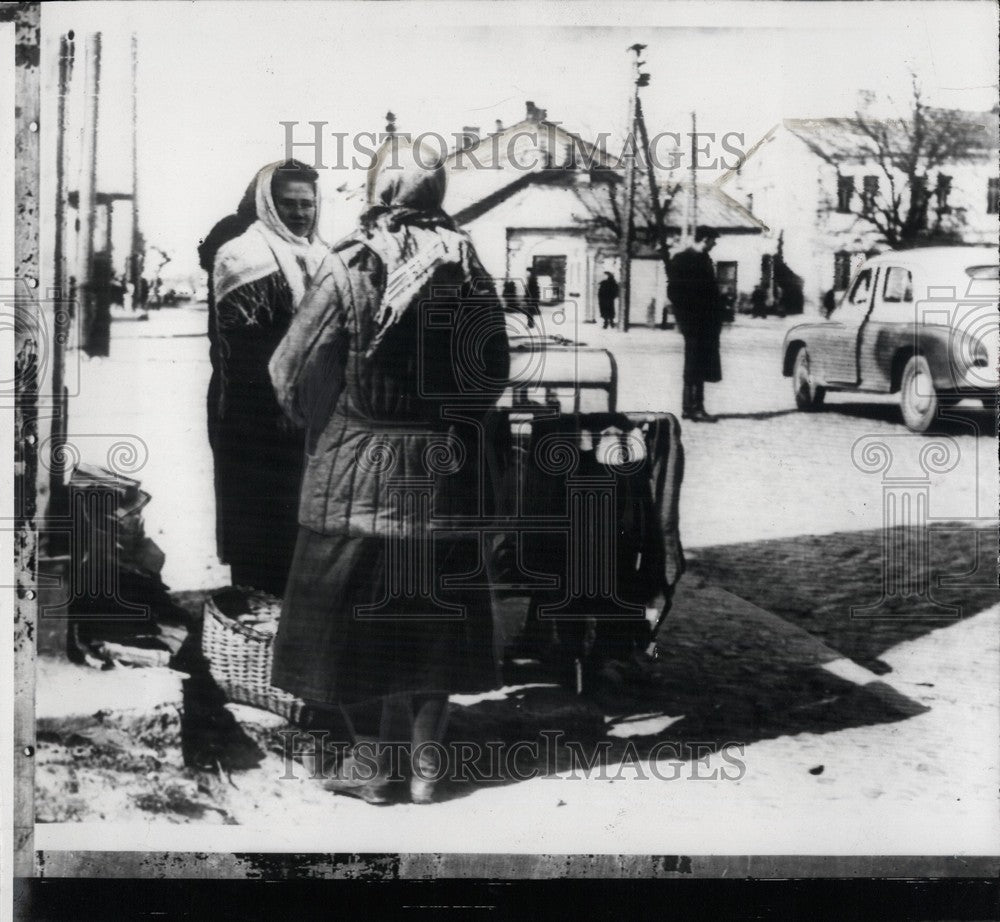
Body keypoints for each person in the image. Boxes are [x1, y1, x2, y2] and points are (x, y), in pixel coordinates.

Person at [268, 139, 510, 805]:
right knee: (432, 628)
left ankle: (377, 769)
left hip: (357, 479)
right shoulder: (466, 265)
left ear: (379, 189)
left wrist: (328, 421)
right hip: (444, 478)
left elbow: (289, 373)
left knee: (361, 631)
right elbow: (491, 375)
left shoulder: (350, 267)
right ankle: (430, 768)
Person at [209, 159, 327, 595]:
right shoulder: (243, 255)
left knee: (301, 522)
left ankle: (289, 623)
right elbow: (243, 351)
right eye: (288, 203)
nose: (299, 213)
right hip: (254, 412)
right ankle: (257, 620)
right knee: (258, 523)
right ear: (267, 204)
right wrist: (284, 401)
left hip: (309, 414)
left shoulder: (321, 256)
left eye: (307, 204)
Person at [667, 226, 725, 423]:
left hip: (705, 322)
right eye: (713, 241)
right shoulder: (683, 259)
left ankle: (689, 407)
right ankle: (695, 407)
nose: (714, 244)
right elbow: (674, 292)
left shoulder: (703, 259)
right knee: (695, 364)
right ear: (705, 239)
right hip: (694, 322)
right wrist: (687, 316)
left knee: (698, 363)